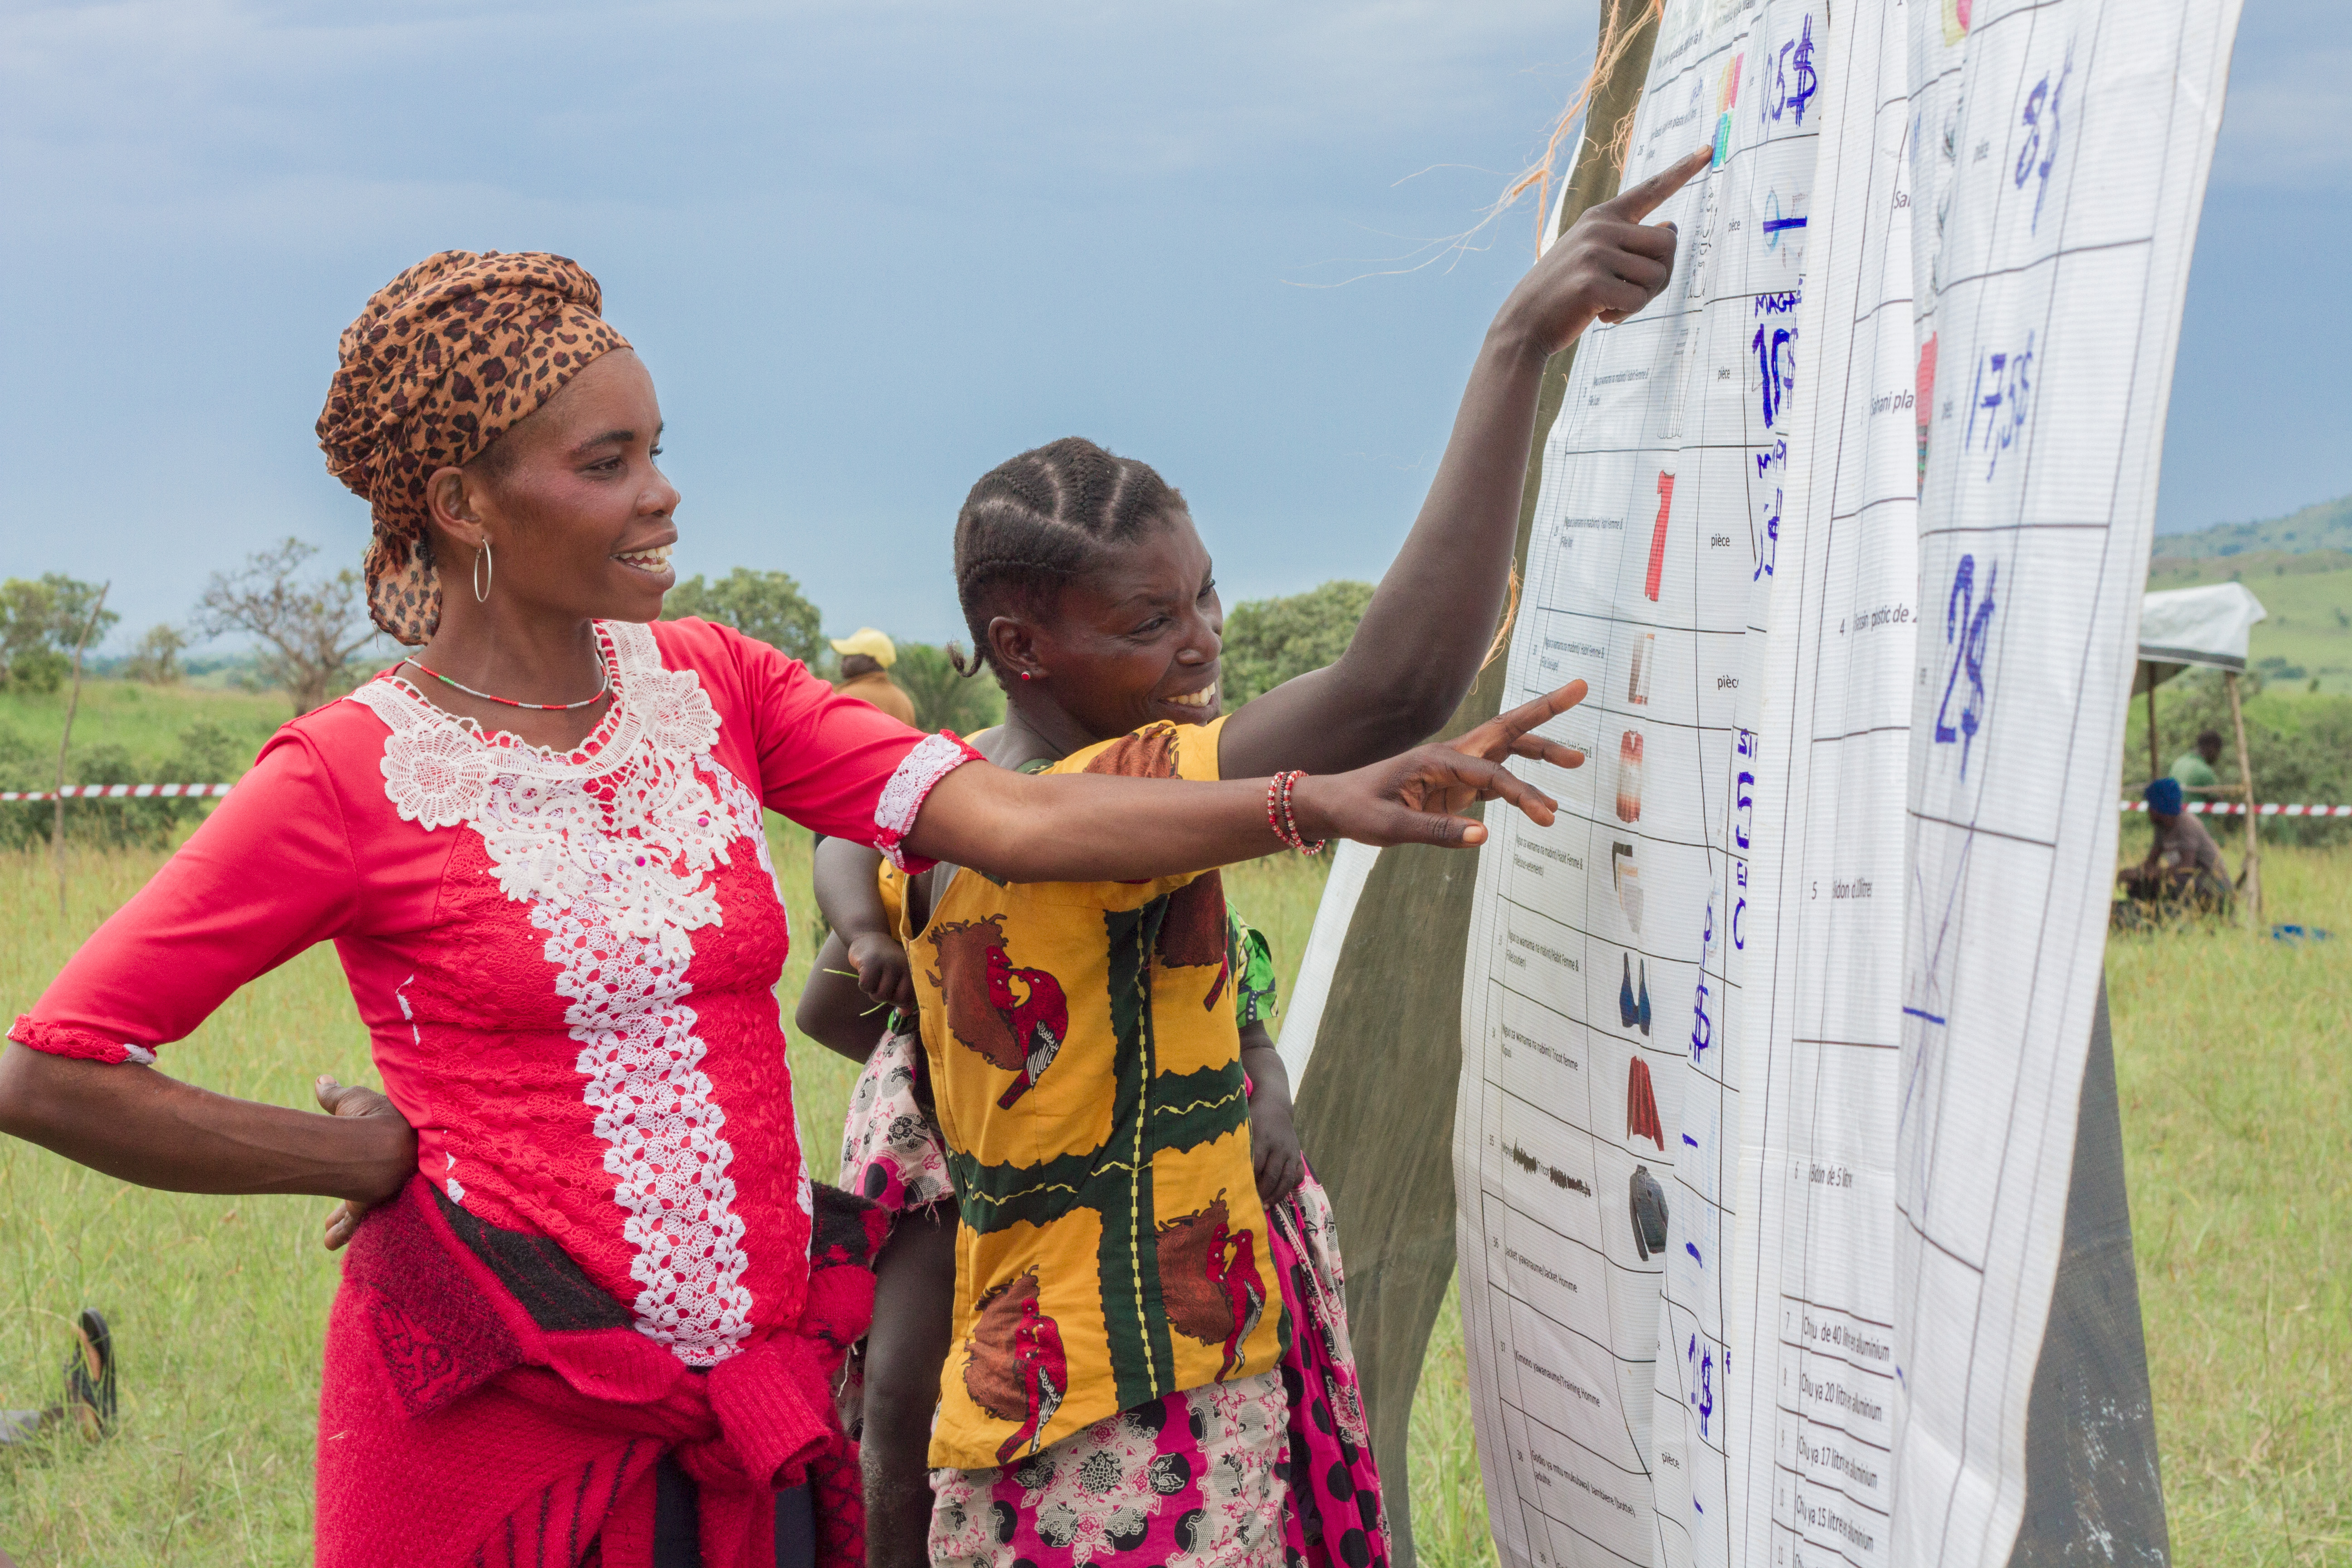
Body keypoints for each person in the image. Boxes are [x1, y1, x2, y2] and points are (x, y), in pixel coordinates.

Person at [0, 251, 1570, 1568]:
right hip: (513, 1430)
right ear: (463, 502)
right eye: (608, 464)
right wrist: (362, 1156)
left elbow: (1014, 818)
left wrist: (1303, 803)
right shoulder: (346, 775)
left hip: (746, 1410)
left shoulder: (716, 685)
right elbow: (52, 1068)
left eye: (656, 447)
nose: (663, 493)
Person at [789, 142, 1707, 1568]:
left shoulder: (943, 801)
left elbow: (852, 994)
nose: (1204, 642)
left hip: (1035, 1411)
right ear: (1023, 647)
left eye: (1206, 596)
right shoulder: (1100, 799)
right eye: (1150, 622)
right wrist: (1516, 348)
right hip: (1136, 1421)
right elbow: (1392, 687)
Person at [2119, 775, 2233, 916]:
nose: (2148, 810)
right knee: (2138, 886)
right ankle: (2147, 915)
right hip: (2187, 883)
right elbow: (2151, 863)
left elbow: (2186, 868)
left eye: (2150, 806)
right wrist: (2135, 874)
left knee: (2174, 884)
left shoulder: (2187, 824)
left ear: (2158, 807)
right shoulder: (2161, 828)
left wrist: (2153, 874)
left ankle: (2176, 916)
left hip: (2211, 887)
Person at [831, 628, 918, 726]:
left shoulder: (847, 697)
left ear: (871, 661)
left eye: (850, 656)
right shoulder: (903, 701)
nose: (843, 662)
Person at [2170, 727, 2226, 804]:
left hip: (2174, 811)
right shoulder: (2204, 772)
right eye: (2218, 752)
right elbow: (2218, 803)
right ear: (2212, 749)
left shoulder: (2179, 762)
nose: (2218, 757)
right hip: (2194, 812)